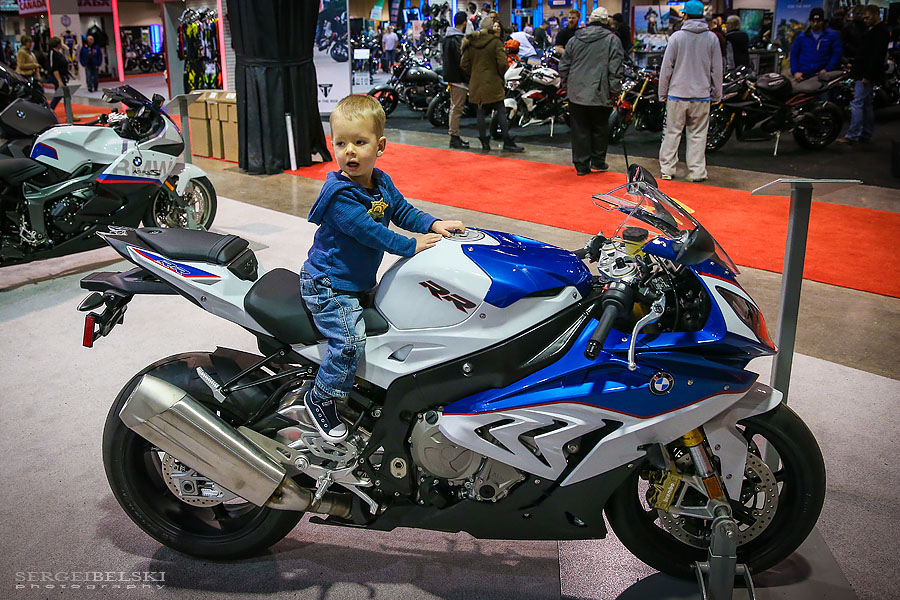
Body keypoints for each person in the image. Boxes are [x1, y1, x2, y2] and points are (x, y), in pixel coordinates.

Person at [301, 94, 464, 442]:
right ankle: (322, 397)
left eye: (360, 142)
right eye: (341, 143)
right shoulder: (340, 196)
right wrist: (410, 245)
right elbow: (370, 232)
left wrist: (433, 225)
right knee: (349, 341)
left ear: (381, 145)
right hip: (327, 285)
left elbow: (402, 211)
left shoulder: (381, 182)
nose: (350, 152)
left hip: (355, 282)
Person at [658, 0, 723, 182]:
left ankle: (667, 170)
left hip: (677, 94)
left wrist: (662, 93)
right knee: (698, 135)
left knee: (672, 133)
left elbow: (666, 68)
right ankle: (697, 173)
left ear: (684, 15)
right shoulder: (712, 38)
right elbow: (717, 69)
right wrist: (717, 94)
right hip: (701, 96)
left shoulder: (677, 38)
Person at [559, 7, 624, 175]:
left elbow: (564, 64)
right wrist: (615, 91)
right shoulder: (612, 40)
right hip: (600, 91)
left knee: (579, 128)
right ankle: (598, 161)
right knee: (600, 128)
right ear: (605, 22)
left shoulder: (575, 39)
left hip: (576, 92)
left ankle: (581, 165)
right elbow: (615, 69)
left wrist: (566, 85)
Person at [461, 13, 524, 153]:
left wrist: (475, 74)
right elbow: (502, 63)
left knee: (480, 111)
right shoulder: (495, 42)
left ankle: (484, 142)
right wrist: (499, 74)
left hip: (477, 83)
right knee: (501, 110)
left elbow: (464, 64)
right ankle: (507, 141)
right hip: (494, 81)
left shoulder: (470, 42)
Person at [839, 5, 890, 144]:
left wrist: (867, 75)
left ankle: (852, 135)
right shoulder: (872, 30)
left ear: (875, 15)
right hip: (863, 72)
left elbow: (877, 56)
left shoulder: (881, 32)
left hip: (866, 74)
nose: (865, 19)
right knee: (866, 104)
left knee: (857, 103)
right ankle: (865, 133)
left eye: (867, 17)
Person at [790, 8, 842, 81]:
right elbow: (794, 54)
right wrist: (795, 71)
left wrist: (827, 69)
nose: (815, 24)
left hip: (823, 75)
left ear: (823, 21)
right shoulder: (802, 36)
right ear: (809, 21)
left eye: (818, 21)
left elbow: (837, 54)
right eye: (813, 21)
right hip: (804, 74)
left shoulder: (832, 35)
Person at [443, 11, 470, 149]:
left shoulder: (447, 37)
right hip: (458, 79)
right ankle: (454, 137)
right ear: (464, 22)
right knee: (457, 108)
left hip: (451, 77)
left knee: (455, 107)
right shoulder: (457, 39)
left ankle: (455, 136)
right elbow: (462, 61)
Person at [47, 37, 69, 110]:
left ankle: (68, 112)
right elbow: (54, 68)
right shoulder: (53, 54)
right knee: (60, 94)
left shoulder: (59, 53)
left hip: (62, 75)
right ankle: (50, 109)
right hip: (57, 77)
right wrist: (59, 80)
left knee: (65, 94)